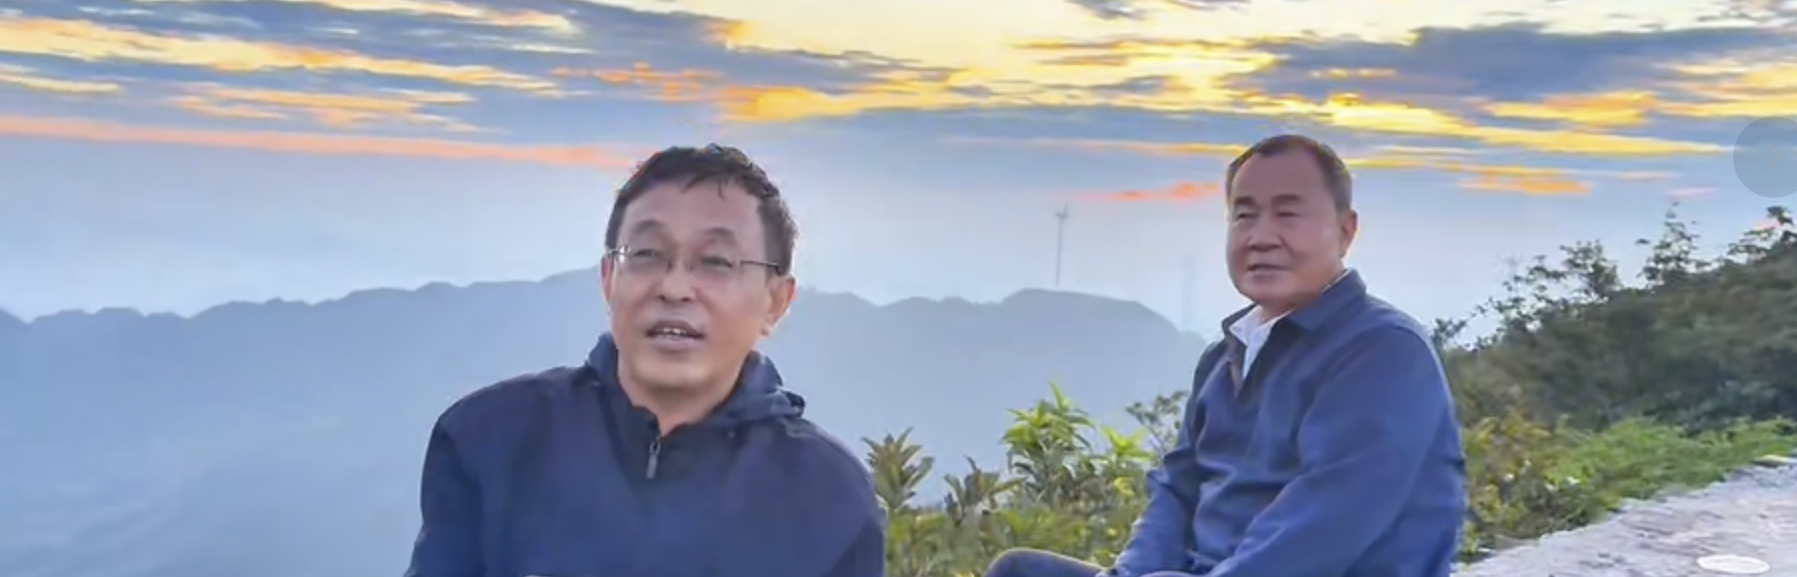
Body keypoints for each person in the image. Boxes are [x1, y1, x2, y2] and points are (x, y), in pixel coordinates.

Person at [985, 134, 1467, 577]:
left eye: (1288, 213)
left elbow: (1320, 530)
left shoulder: (1383, 352)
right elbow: (1177, 489)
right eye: (1244, 215)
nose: (1261, 236)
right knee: (1019, 572)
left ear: (1345, 231)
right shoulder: (1224, 357)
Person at [403, 144, 885, 577]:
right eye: (647, 253)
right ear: (608, 279)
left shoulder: (829, 497)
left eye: (716, 262)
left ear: (776, 302)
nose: (674, 287)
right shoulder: (492, 439)